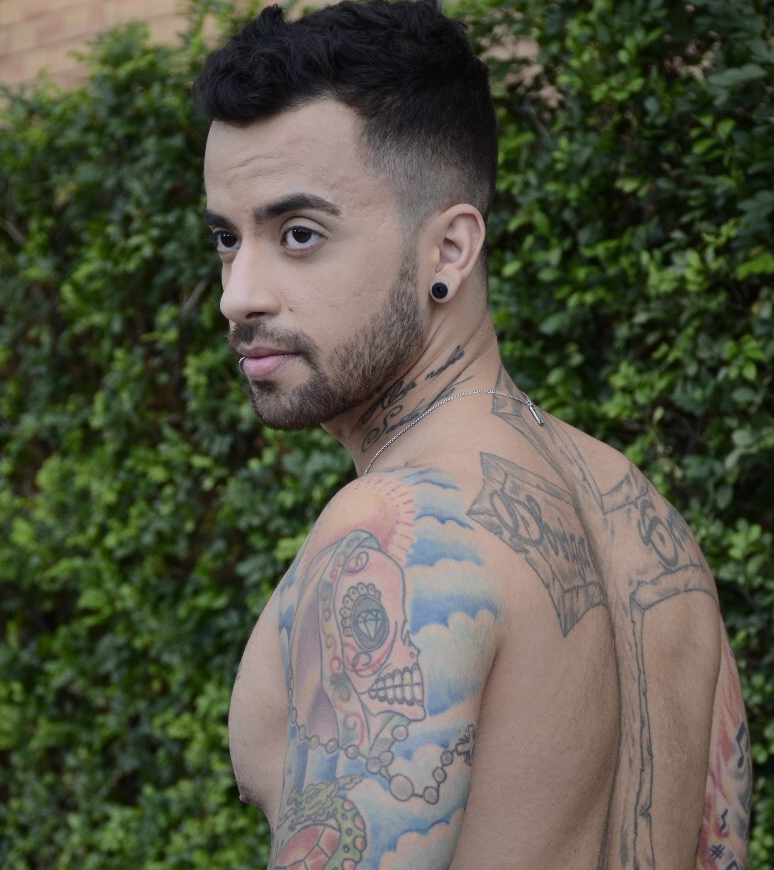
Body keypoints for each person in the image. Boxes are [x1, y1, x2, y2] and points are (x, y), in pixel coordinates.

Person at [193, 1, 752, 866]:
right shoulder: (647, 524)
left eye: (298, 234)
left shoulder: (392, 531)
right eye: (228, 239)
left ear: (449, 251)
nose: (239, 295)